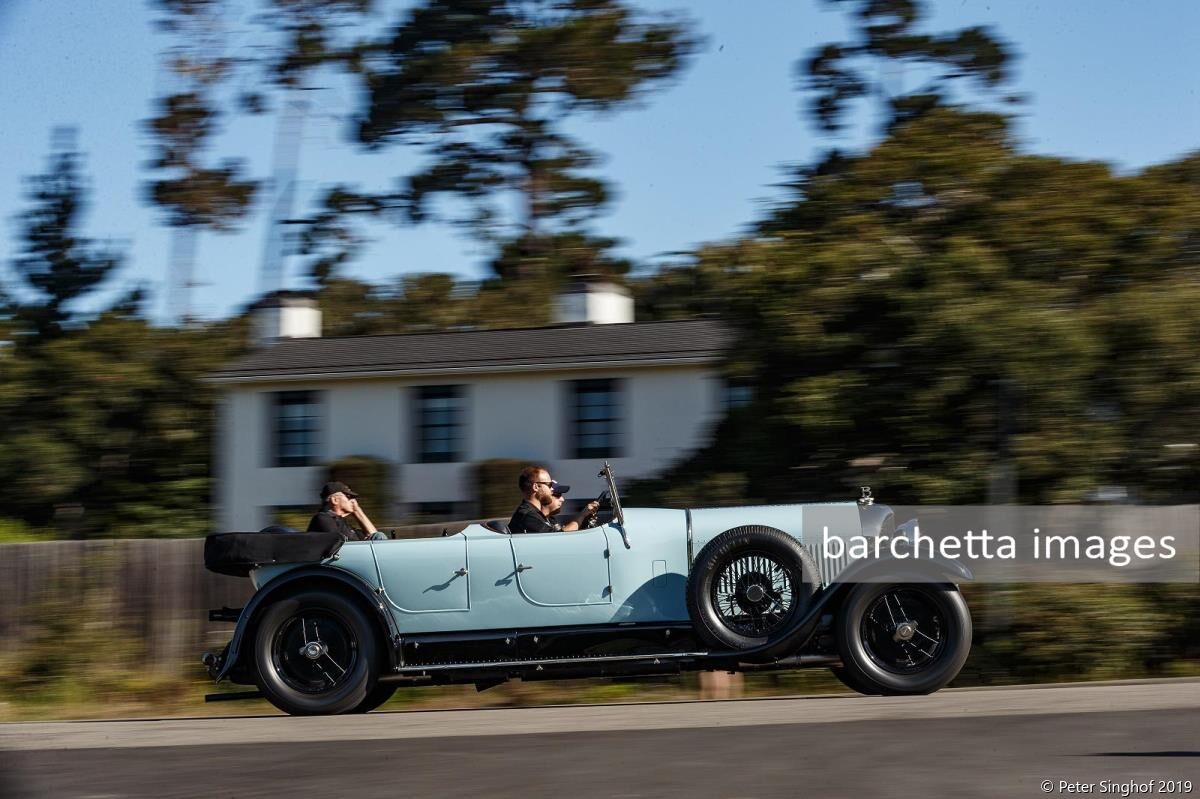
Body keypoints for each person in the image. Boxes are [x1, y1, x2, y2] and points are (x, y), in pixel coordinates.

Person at [509, 464, 599, 534]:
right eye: (549, 485)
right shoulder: (527, 516)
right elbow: (558, 538)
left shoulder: (536, 514)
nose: (551, 489)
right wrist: (582, 515)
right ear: (536, 487)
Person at [307, 481, 384, 541]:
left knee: (379, 536)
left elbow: (374, 538)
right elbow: (338, 543)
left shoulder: (341, 522)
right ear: (335, 500)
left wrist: (357, 511)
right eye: (348, 497)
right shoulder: (322, 518)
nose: (353, 501)